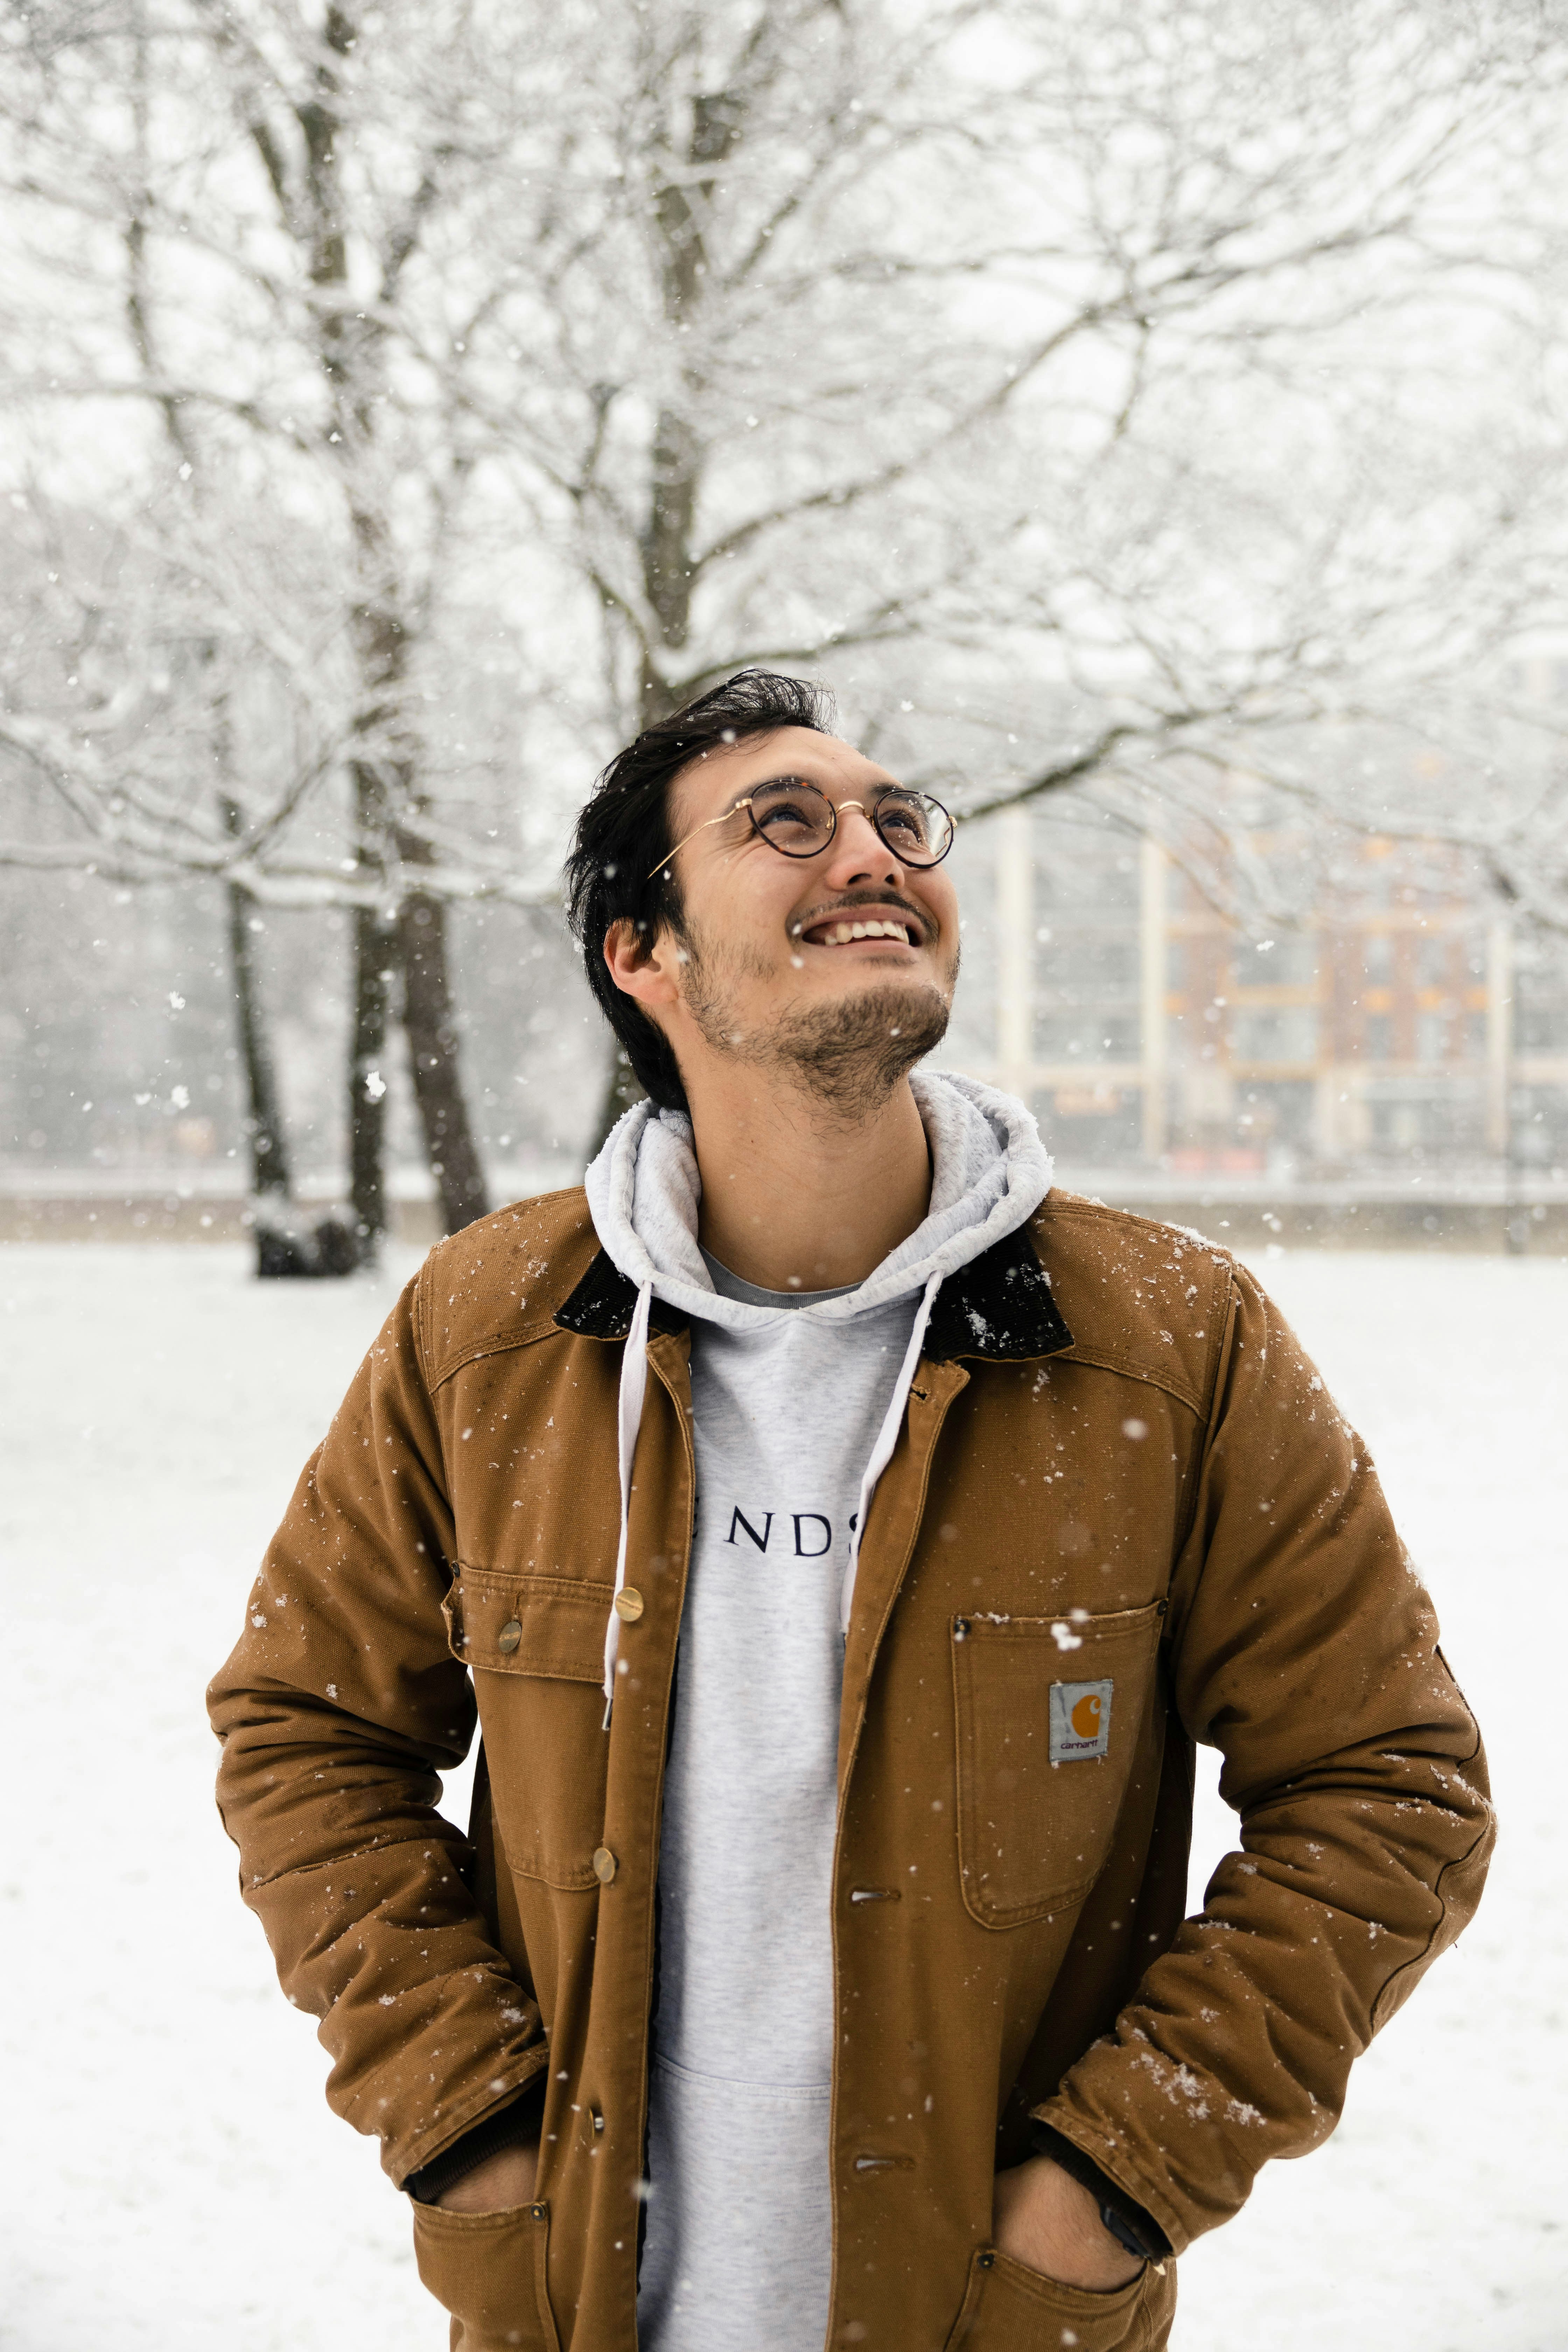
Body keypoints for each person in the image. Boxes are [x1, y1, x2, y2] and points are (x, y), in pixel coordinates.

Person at [209, 669, 1493, 2352]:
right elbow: (303, 1733)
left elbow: (1386, 1788)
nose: (874, 854)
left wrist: (1109, 2185)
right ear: (642, 954)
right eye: (786, 824)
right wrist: (470, 2132)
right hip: (574, 2305)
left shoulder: (1174, 1343)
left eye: (900, 820)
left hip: (989, 2314)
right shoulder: (486, 1333)